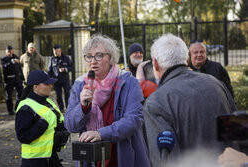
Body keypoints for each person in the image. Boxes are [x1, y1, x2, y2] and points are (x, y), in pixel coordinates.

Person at [143, 34, 237, 167]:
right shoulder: (215, 83)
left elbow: (164, 161)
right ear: (187, 59)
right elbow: (238, 135)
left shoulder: (156, 102)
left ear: (155, 64)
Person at [64, 34, 150, 167]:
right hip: (91, 160)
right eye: (89, 56)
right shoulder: (80, 84)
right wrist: (82, 108)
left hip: (122, 157)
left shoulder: (128, 82)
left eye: (99, 55)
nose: (93, 61)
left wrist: (101, 134)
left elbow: (134, 120)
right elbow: (70, 125)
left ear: (111, 58)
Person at [15, 70, 69, 167]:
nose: (50, 86)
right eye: (46, 84)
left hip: (50, 156)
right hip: (34, 161)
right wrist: (42, 124)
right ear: (35, 87)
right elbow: (23, 137)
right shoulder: (26, 107)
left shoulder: (47, 101)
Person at [48, 44, 73, 112]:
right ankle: (61, 108)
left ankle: (68, 108)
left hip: (65, 80)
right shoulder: (52, 59)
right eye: (54, 52)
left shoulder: (66, 58)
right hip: (56, 80)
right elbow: (49, 70)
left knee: (67, 94)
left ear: (60, 51)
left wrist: (64, 69)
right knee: (58, 96)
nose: (55, 53)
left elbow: (71, 67)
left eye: (57, 52)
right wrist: (49, 81)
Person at [1, 45, 24, 115]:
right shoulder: (4, 59)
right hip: (9, 80)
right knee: (9, 96)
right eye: (8, 52)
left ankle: (17, 107)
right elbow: (4, 67)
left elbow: (20, 68)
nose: (10, 53)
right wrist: (11, 62)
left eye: (11, 52)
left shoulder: (16, 57)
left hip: (17, 79)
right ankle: (10, 110)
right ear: (6, 52)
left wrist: (22, 77)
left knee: (20, 94)